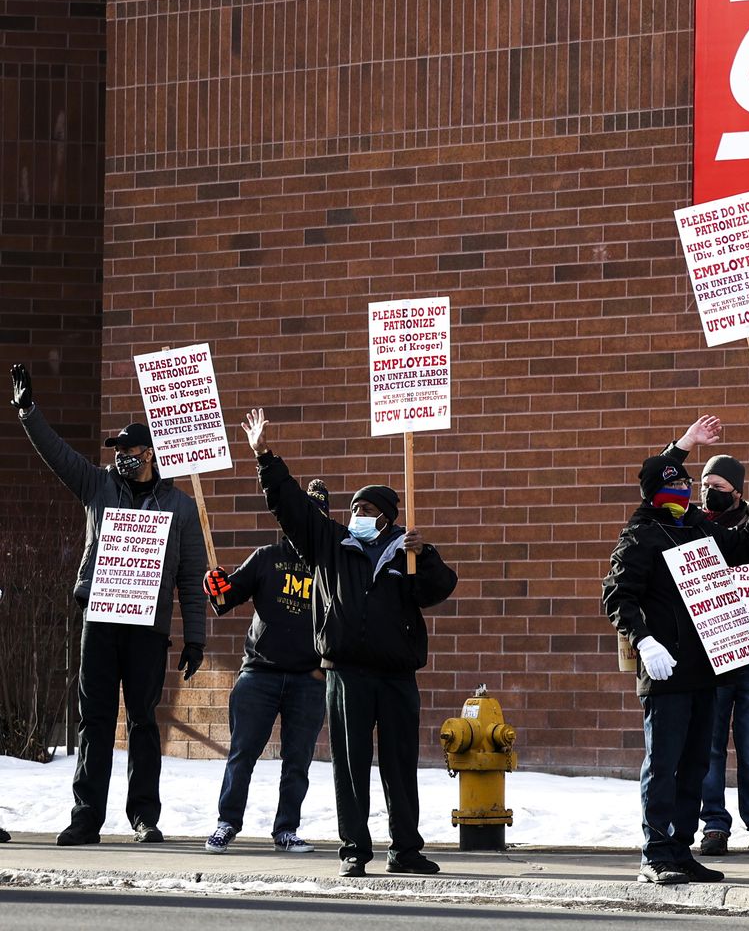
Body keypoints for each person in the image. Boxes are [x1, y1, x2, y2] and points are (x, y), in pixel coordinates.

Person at [242, 408, 457, 878]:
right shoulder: (331, 544)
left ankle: (405, 849)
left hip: (397, 675)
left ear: (387, 518)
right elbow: (290, 506)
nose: (357, 515)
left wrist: (426, 557)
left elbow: (438, 590)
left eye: (367, 510)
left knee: (399, 764)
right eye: (354, 508)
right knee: (350, 764)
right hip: (346, 674)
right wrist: (265, 458)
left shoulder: (408, 552)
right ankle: (354, 850)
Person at [14, 363, 208, 846]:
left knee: (143, 721)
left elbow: (189, 577)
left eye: (128, 450)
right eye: (117, 450)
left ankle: (144, 816)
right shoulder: (98, 486)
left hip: (148, 627)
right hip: (101, 619)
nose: (120, 456)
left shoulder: (180, 507)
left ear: (149, 454)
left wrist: (196, 638)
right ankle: (86, 817)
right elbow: (58, 456)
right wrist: (27, 412)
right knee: (94, 719)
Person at [604, 415, 749, 886]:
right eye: (674, 485)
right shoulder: (641, 533)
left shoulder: (698, 527)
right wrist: (645, 639)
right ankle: (655, 853)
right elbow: (617, 596)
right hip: (666, 670)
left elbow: (748, 546)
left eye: (687, 485)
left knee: (695, 766)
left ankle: (681, 850)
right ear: (654, 493)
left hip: (706, 669)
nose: (684, 491)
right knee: (664, 765)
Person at [202, 478, 333, 856]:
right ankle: (227, 823)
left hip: (309, 679)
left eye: (317, 516)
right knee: (242, 753)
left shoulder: (331, 565)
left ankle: (286, 829)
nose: (308, 522)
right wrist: (214, 585)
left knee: (298, 760)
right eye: (303, 514)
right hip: (259, 674)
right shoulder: (265, 558)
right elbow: (225, 598)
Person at [686, 449, 749, 858]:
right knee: (709, 744)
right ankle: (715, 826)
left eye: (717, 487)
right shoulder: (692, 526)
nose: (708, 493)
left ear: (737, 493)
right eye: (704, 485)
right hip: (711, 654)